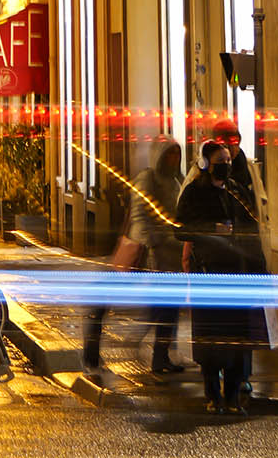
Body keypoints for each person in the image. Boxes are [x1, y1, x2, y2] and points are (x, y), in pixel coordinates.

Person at [82, 136, 190, 378]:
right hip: (144, 255)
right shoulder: (147, 179)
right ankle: (92, 354)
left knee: (167, 309)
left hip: (169, 257)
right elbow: (142, 218)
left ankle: (160, 356)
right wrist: (157, 243)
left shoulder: (177, 180)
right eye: (169, 154)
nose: (173, 159)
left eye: (176, 154)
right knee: (102, 302)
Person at [175, 138, 263, 413]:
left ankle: (234, 396)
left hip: (236, 272)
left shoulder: (236, 191)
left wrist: (258, 268)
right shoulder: (194, 193)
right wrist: (210, 229)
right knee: (210, 338)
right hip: (208, 272)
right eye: (219, 162)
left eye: (228, 161)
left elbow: (253, 228)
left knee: (237, 338)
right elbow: (180, 229)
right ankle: (213, 395)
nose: (225, 166)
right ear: (205, 164)